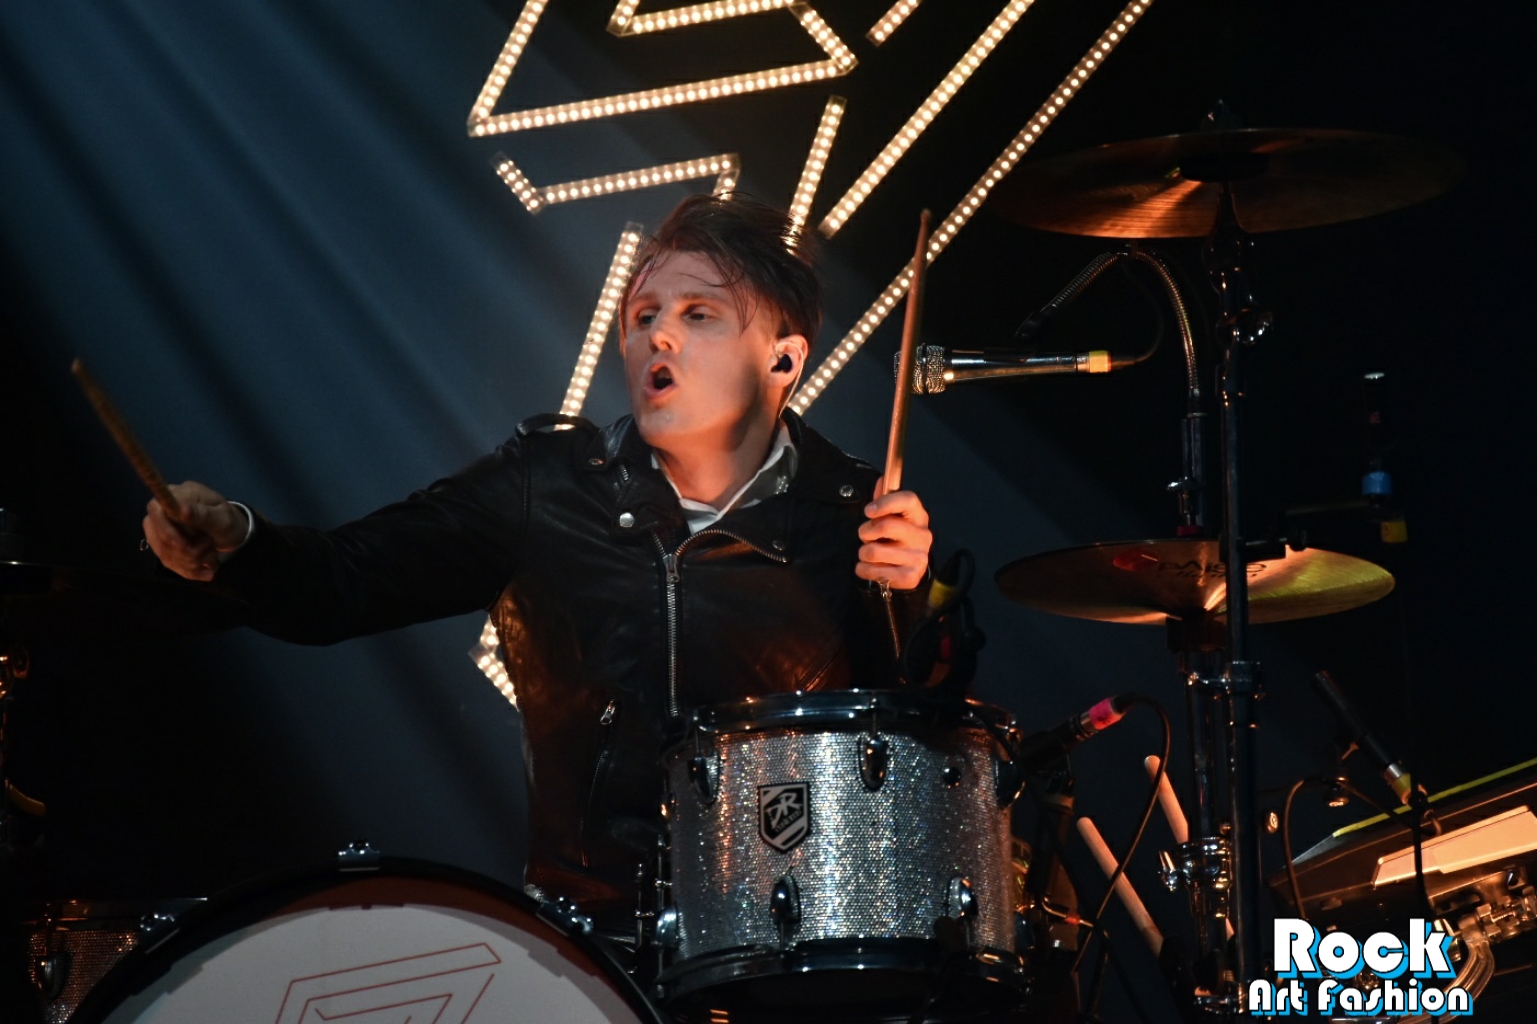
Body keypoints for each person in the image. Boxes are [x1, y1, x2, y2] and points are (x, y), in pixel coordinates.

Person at [142, 193, 933, 932]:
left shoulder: (858, 515)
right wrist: (236, 542)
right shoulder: (546, 488)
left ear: (783, 362)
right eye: (643, 316)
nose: (658, 336)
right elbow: (339, 584)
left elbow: (930, 742)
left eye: (699, 315)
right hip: (594, 937)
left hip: (803, 937)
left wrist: (911, 598)